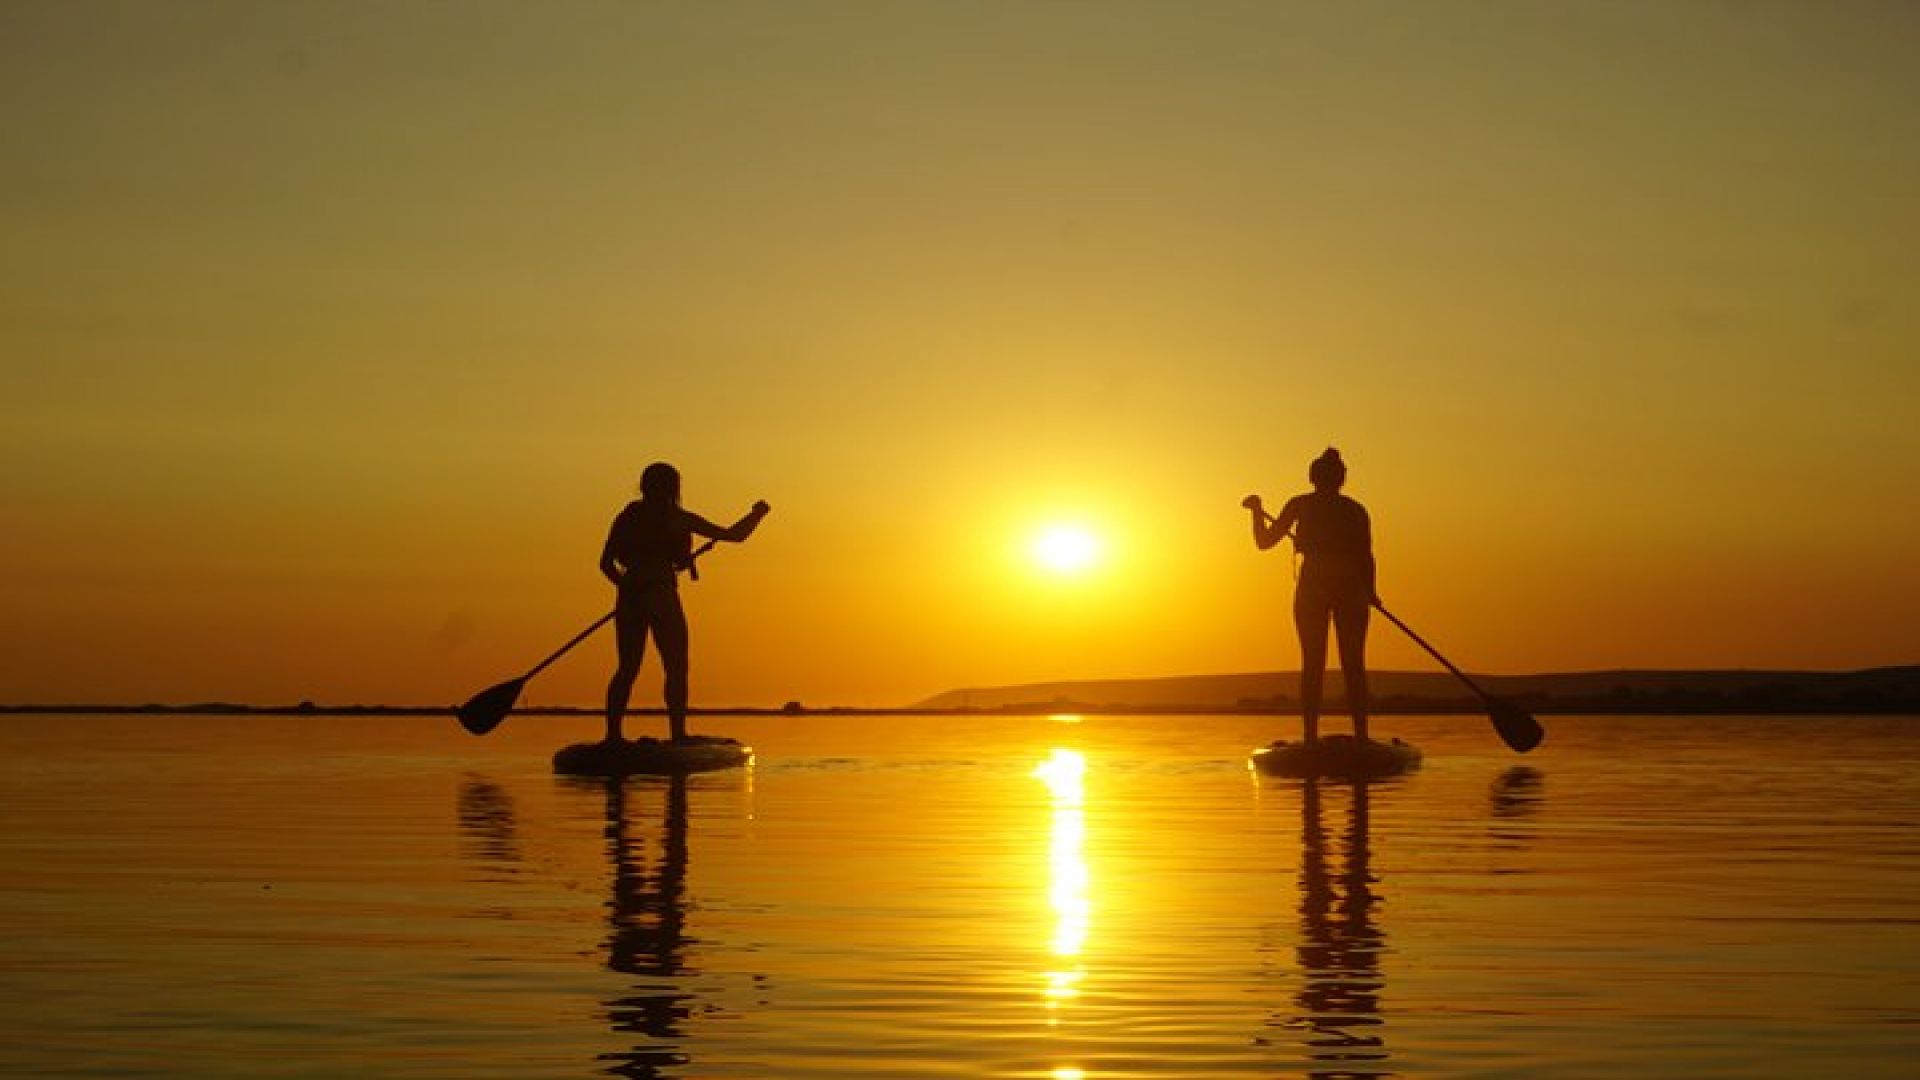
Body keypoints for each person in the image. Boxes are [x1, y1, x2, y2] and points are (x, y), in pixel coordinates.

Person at [599, 463, 769, 744]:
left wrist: (626, 587)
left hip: (629, 597)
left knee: (627, 668)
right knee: (676, 667)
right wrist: (757, 514)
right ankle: (677, 735)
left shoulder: (626, 518)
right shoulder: (678, 519)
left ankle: (613, 737)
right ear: (674, 489)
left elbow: (605, 564)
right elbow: (734, 536)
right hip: (662, 595)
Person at [1244, 447, 1376, 744]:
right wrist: (1256, 511)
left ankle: (1337, 737)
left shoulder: (1343, 509)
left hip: (1338, 588)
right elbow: (1367, 558)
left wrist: (1371, 591)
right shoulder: (1346, 509)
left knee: (1334, 663)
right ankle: (1329, 737)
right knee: (1339, 663)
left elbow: (1264, 542)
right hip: (1331, 587)